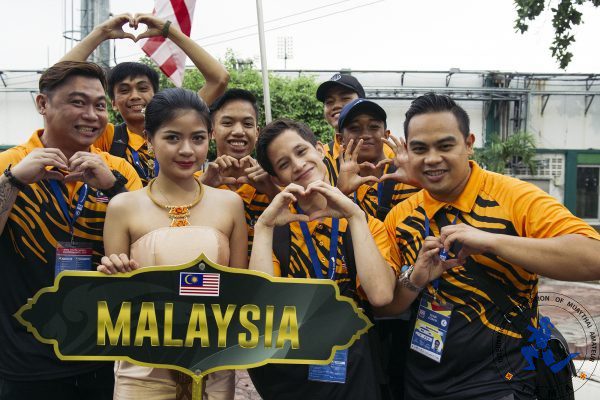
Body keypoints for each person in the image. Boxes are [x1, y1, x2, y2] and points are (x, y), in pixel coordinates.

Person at [383, 93, 600, 400]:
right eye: (420, 149)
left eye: (445, 146)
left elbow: (593, 257)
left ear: (469, 143)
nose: (431, 158)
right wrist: (415, 279)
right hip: (422, 382)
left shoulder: (514, 197)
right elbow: (387, 304)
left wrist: (492, 241)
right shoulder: (400, 217)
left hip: (505, 382)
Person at [0, 61, 142, 399]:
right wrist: (14, 181)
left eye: (100, 105)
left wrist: (112, 187)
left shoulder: (118, 169)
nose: (91, 115)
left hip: (99, 351)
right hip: (22, 356)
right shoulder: (9, 165)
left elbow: (149, 243)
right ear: (42, 104)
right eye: (78, 102)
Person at [98, 88, 247, 400]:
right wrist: (114, 275)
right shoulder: (123, 206)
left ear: (209, 138)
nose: (187, 150)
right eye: (172, 138)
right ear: (150, 139)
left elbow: (240, 290)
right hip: (142, 368)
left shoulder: (231, 204)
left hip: (212, 365)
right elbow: (115, 303)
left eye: (197, 138)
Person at [247, 118, 398, 400]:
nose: (298, 165)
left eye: (301, 151)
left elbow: (380, 295)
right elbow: (264, 310)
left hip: (353, 369)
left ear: (320, 149)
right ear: (278, 179)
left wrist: (355, 216)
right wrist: (264, 227)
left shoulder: (365, 224)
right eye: (284, 164)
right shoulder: (276, 232)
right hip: (294, 374)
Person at [61, 13, 229, 185]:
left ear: (155, 95)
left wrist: (168, 30)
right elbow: (56, 82)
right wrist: (101, 32)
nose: (135, 96)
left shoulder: (181, 119)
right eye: (124, 90)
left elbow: (219, 79)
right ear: (113, 103)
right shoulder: (107, 136)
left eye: (143, 88)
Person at [335, 98, 420, 400]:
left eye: (374, 127)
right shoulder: (331, 178)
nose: (366, 134)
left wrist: (418, 181)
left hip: (408, 302)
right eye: (355, 128)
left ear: (386, 133)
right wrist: (341, 192)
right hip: (357, 307)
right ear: (340, 138)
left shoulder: (409, 175)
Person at [201, 89, 279, 258]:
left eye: (247, 124)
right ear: (212, 132)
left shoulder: (276, 183)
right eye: (228, 123)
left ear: (257, 133)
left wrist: (273, 192)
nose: (238, 131)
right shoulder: (194, 183)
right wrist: (201, 189)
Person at [316, 73, 365, 184]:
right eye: (329, 102)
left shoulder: (389, 152)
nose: (336, 105)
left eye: (345, 98)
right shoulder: (320, 157)